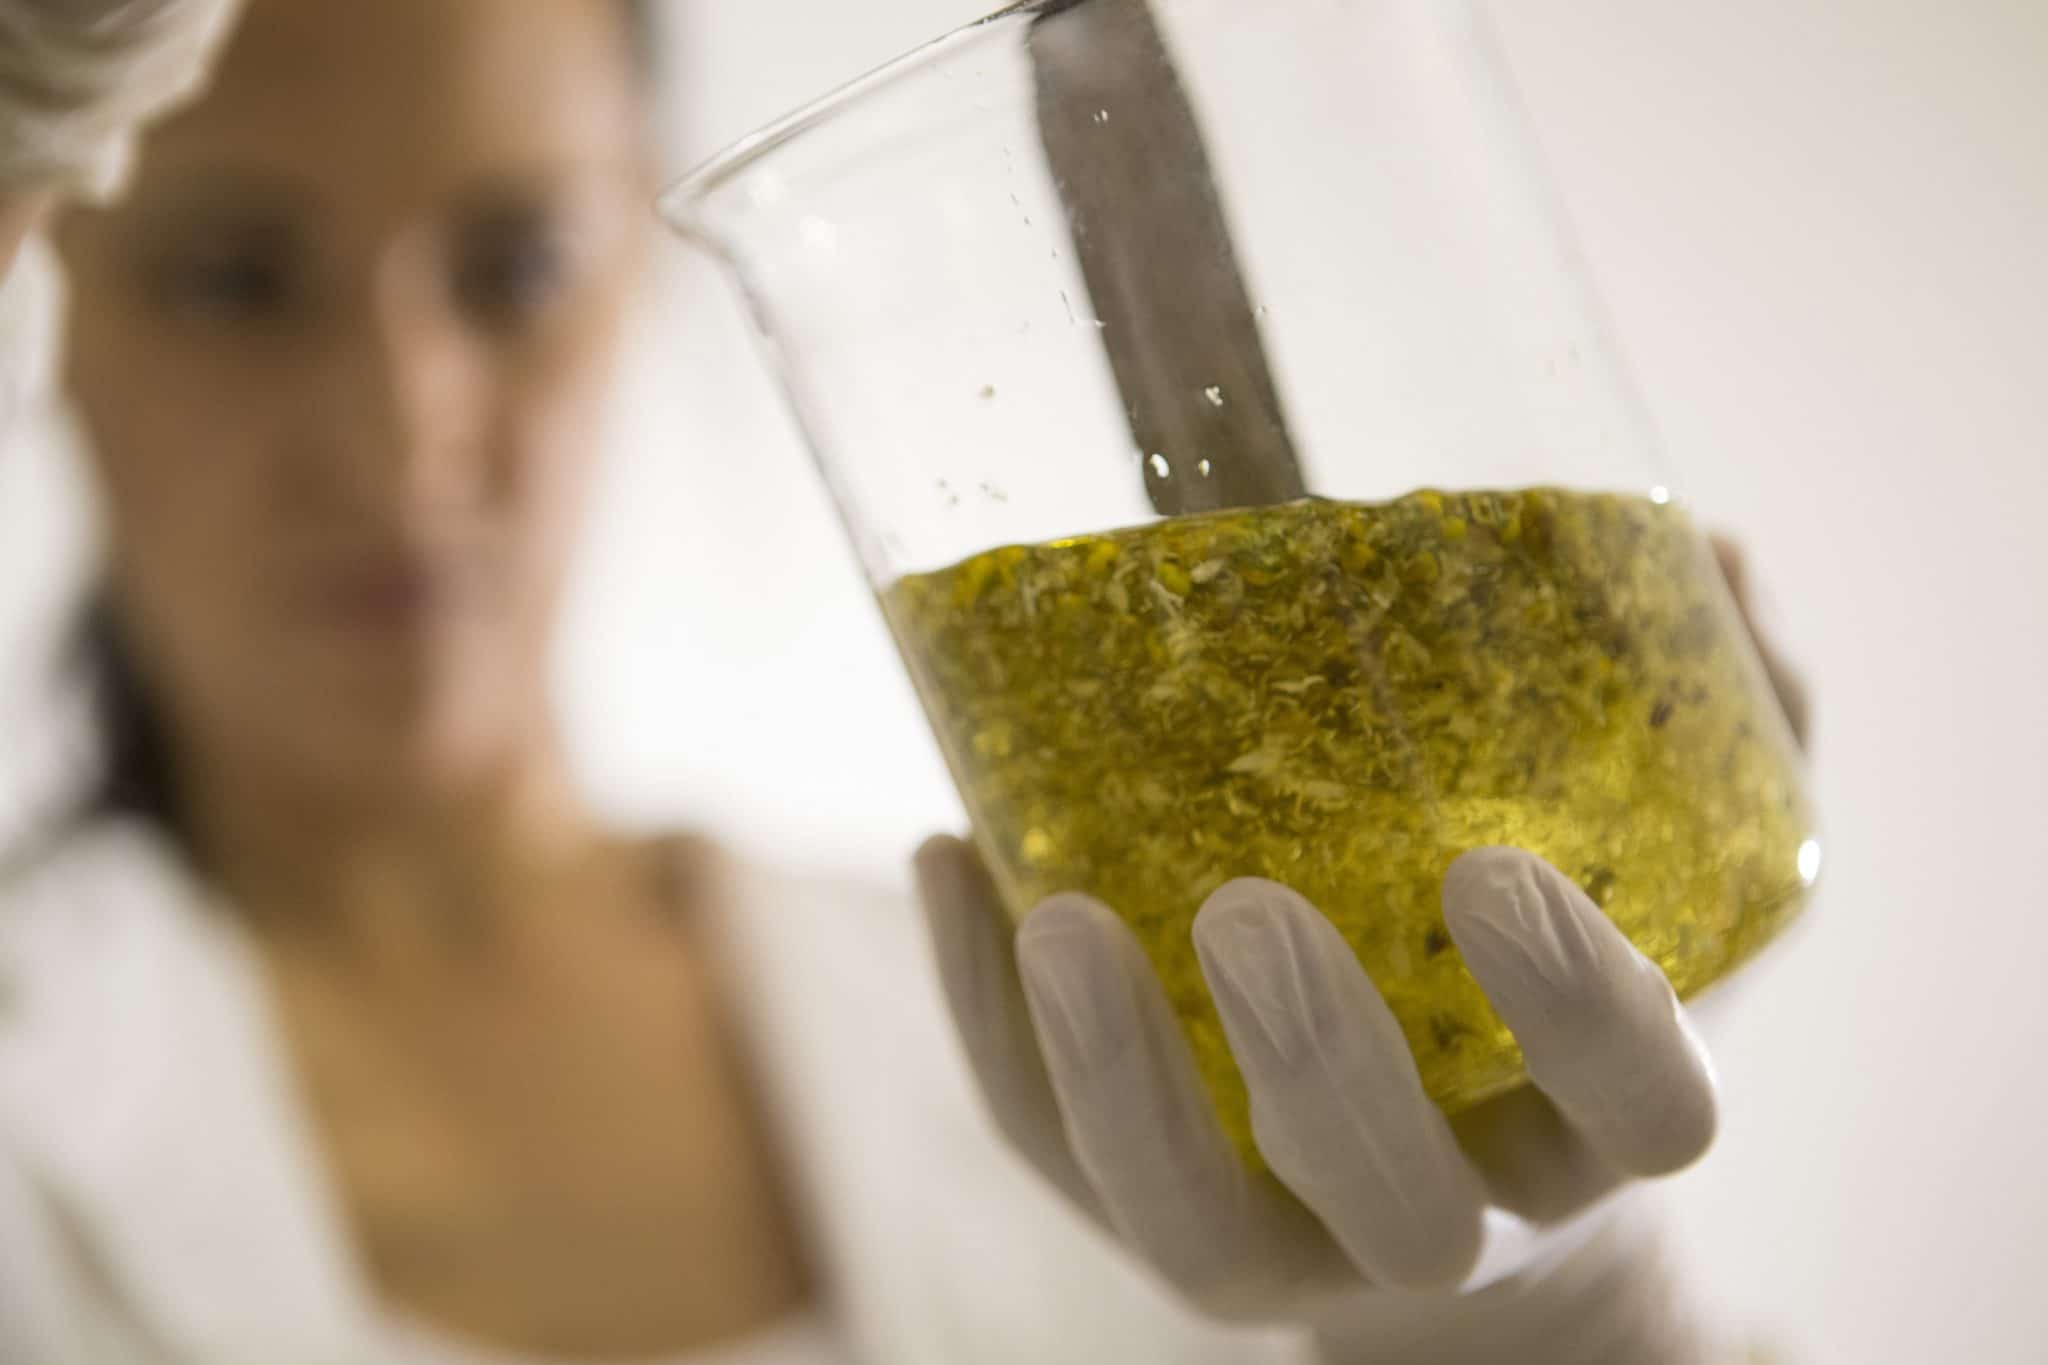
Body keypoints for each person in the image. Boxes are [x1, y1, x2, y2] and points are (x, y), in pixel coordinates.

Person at [0, 2, 1809, 1362]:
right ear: (46, 295)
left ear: (639, 259)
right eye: (233, 275)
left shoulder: (1146, 1033)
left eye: (516, 264)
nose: (402, 437)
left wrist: (1530, 1324)